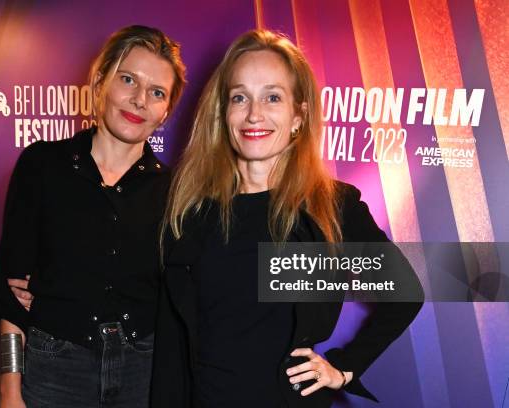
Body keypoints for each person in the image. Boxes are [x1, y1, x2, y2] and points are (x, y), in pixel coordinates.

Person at [150, 29, 423, 408]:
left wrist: (344, 368)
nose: (253, 114)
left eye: (273, 97)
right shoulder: (190, 211)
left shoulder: (331, 207)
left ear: (299, 115)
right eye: (239, 97)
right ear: (223, 113)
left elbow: (406, 293)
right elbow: (170, 342)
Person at [0, 25, 186, 408]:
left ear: (166, 111)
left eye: (157, 92)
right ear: (101, 82)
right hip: (55, 370)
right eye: (128, 79)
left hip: (143, 374)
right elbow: (11, 293)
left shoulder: (176, 190)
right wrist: (10, 390)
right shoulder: (43, 166)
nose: (140, 100)